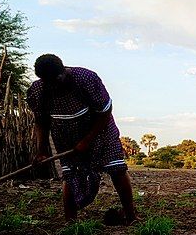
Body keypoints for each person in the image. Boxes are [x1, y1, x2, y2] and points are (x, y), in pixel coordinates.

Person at [27, 54, 137, 224]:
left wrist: (87, 140)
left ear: (63, 72)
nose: (54, 86)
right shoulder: (38, 91)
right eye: (48, 82)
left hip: (101, 131)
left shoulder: (86, 79)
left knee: (116, 169)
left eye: (57, 80)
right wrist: (41, 151)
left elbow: (105, 112)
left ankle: (131, 217)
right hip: (66, 137)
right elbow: (41, 122)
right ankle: (71, 223)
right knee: (70, 174)